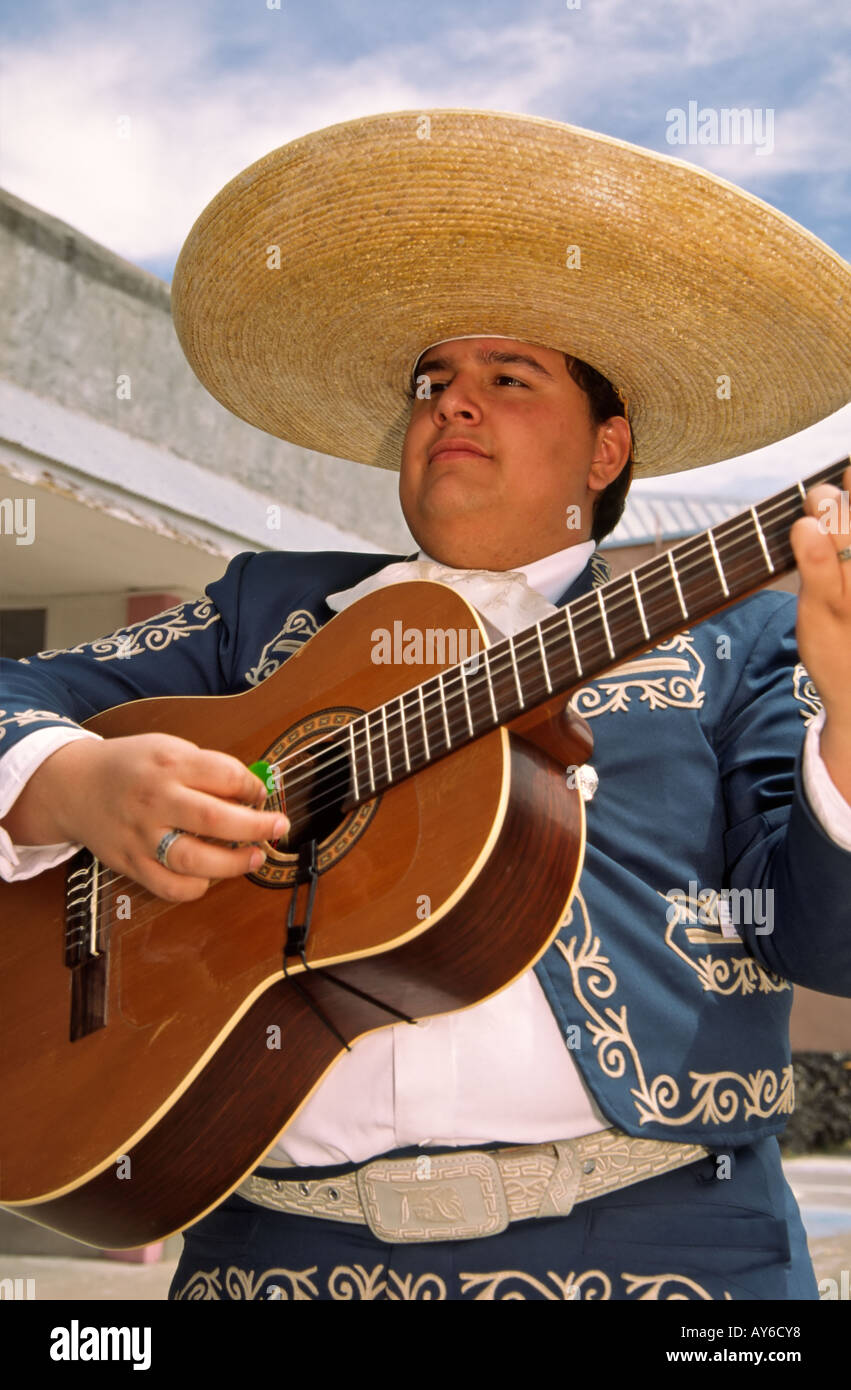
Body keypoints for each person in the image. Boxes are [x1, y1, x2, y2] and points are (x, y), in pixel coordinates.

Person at [1, 110, 850, 1301]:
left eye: (508, 379)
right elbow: (14, 690)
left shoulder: (743, 635)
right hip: (271, 1264)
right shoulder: (266, 615)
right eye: (432, 381)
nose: (452, 403)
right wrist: (75, 783)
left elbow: (825, 940)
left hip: (665, 1265)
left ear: (606, 451)